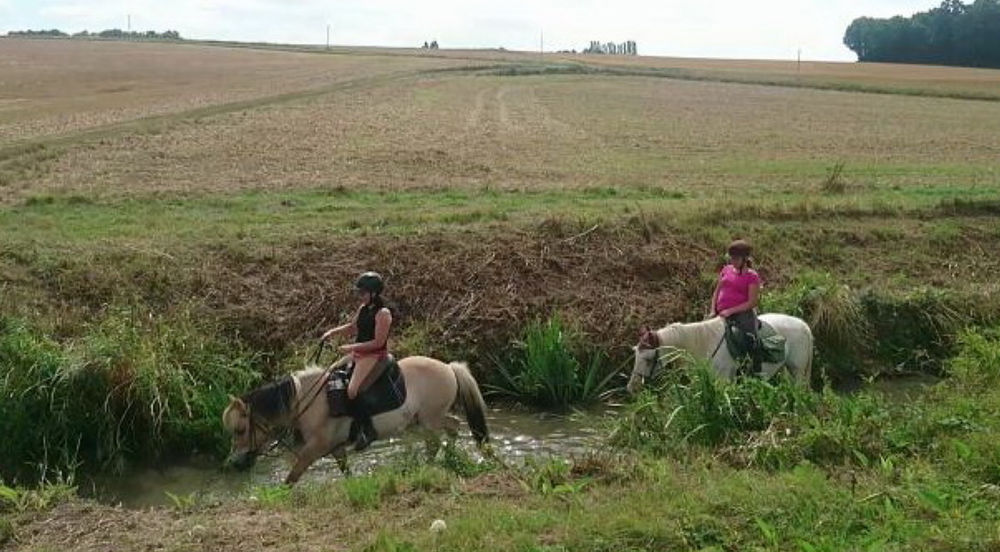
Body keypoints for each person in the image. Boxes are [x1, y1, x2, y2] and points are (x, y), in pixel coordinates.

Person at [321, 271, 393, 451]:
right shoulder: (363, 309)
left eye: (363, 293)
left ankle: (368, 430)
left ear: (374, 293)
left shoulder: (383, 313)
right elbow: (353, 327)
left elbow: (378, 342)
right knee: (330, 374)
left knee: (353, 390)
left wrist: (351, 348)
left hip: (375, 355)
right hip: (359, 354)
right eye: (359, 293)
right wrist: (332, 332)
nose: (360, 297)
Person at [709, 240, 762, 373]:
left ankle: (751, 369)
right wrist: (712, 309)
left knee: (748, 339)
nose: (732, 261)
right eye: (731, 258)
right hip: (720, 313)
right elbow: (717, 291)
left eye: (736, 258)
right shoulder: (726, 270)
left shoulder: (752, 276)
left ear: (744, 259)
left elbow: (752, 302)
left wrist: (730, 311)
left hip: (742, 316)